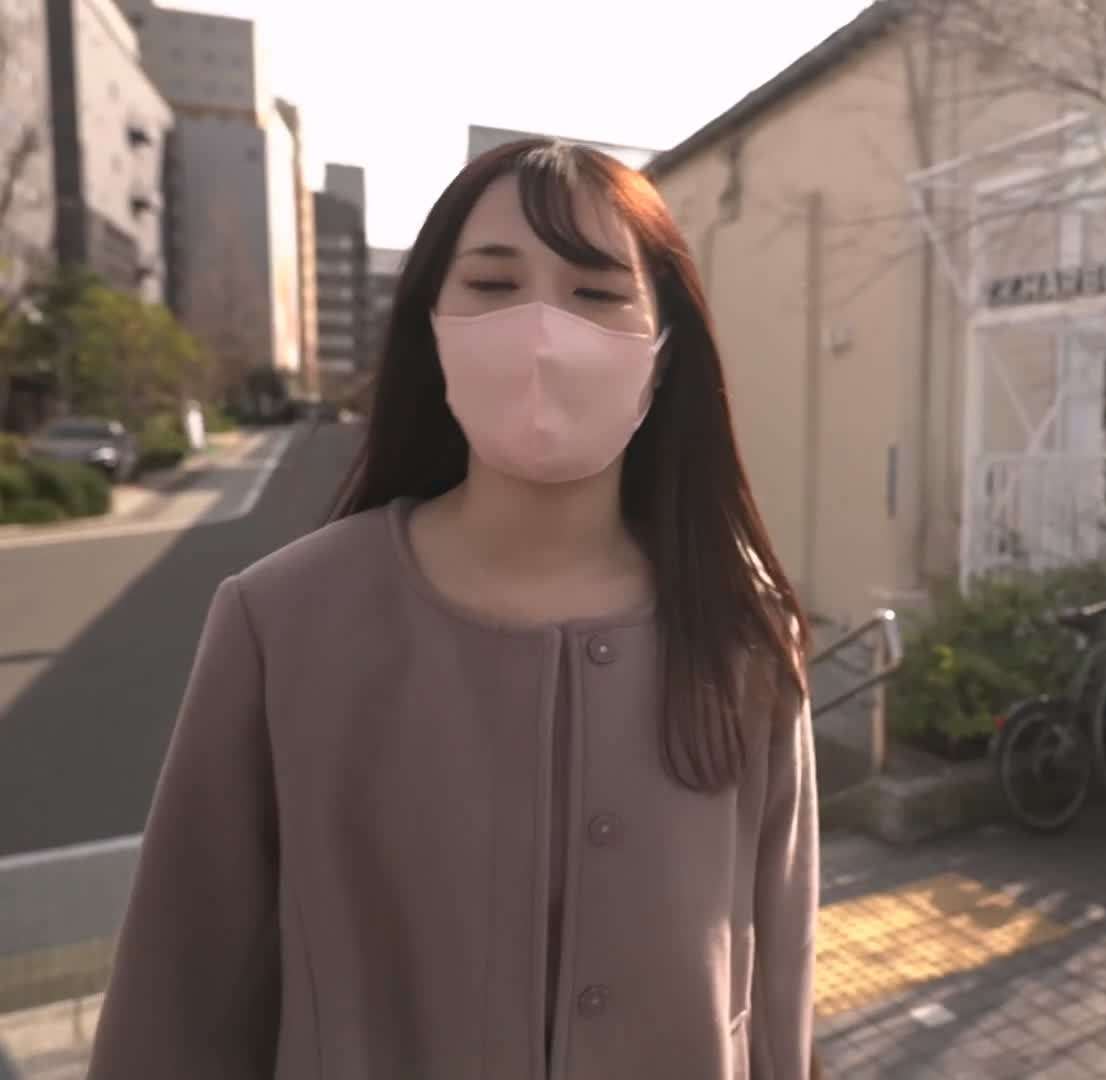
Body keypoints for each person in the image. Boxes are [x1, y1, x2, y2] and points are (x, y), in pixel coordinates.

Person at [87, 139, 818, 1079]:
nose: (543, 331)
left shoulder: (741, 630)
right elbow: (177, 999)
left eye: (597, 293)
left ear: (665, 349)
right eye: (493, 285)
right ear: (431, 326)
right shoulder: (282, 623)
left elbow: (779, 971)